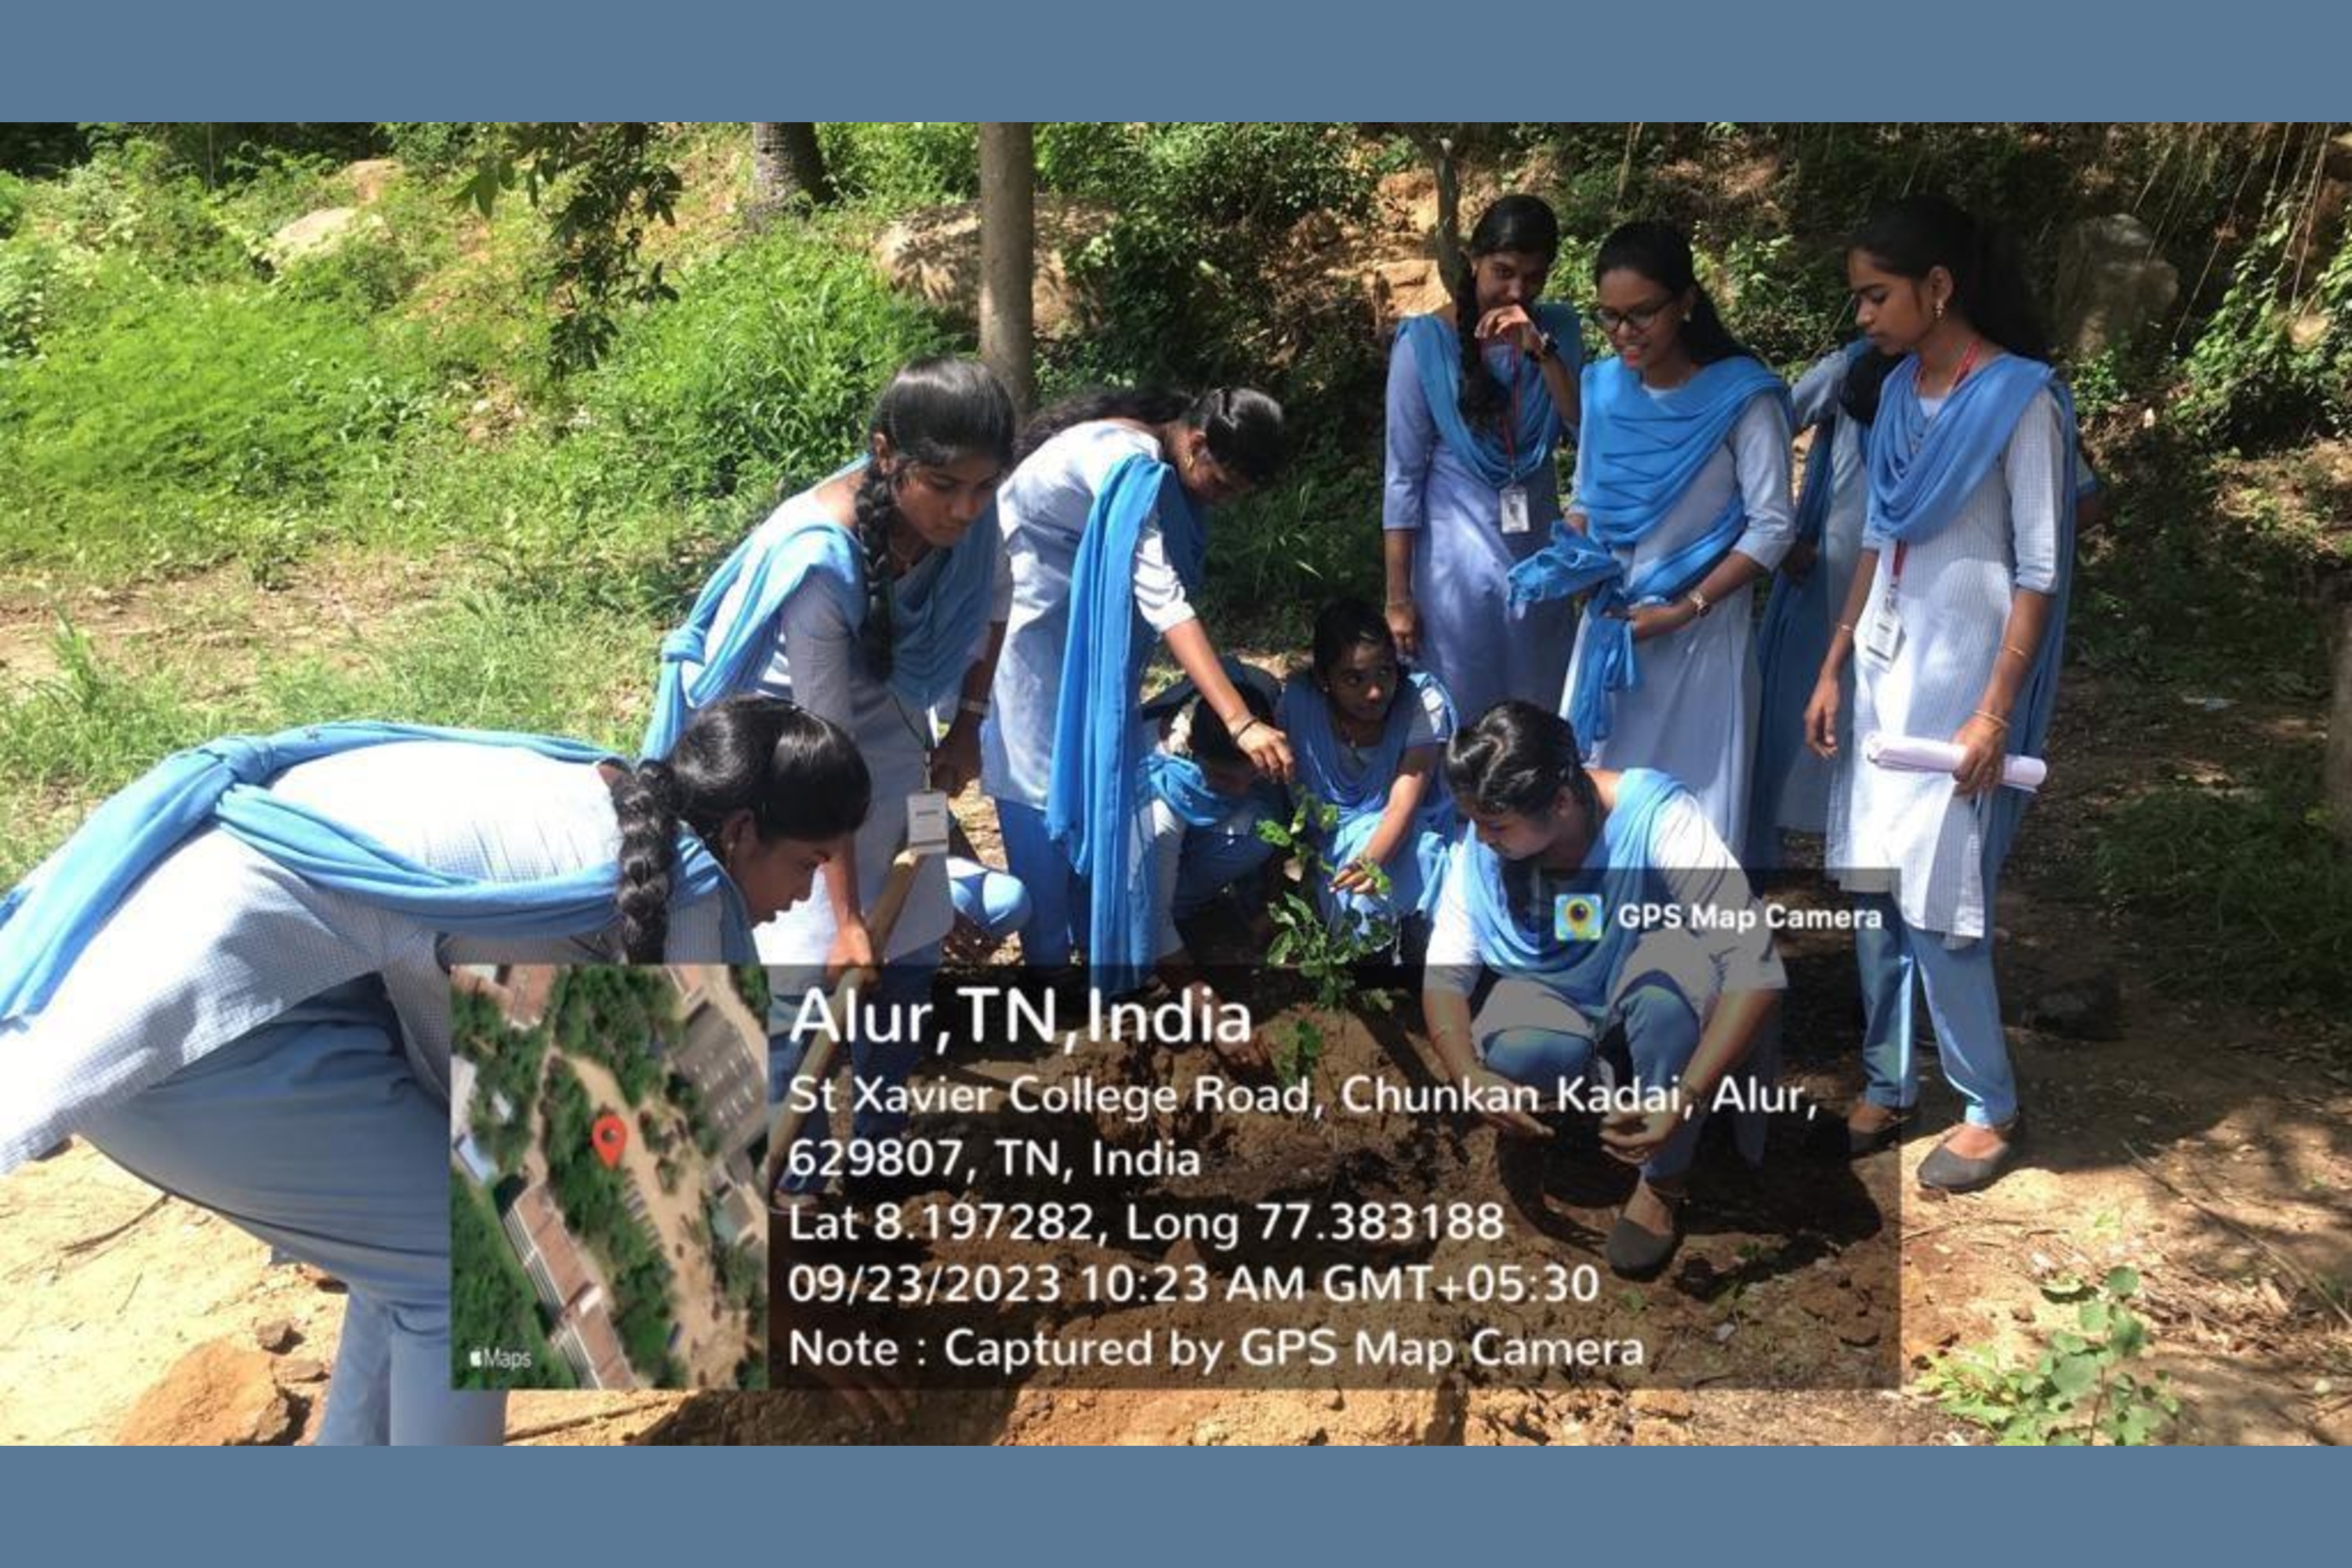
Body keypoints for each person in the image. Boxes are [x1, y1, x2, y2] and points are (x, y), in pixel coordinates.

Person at [0, 696, 869, 1443]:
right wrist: (774, 1299)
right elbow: (604, 1161)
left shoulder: (610, 804)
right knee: (465, 1269)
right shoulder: (640, 890)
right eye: (808, 863)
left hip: (212, 982)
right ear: (744, 829)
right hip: (189, 1032)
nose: (807, 893)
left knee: (416, 1248)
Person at [1804, 194, 2078, 1193]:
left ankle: (1988, 1101)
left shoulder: (2020, 400)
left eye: (1877, 296)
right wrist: (1835, 663)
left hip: (1966, 684)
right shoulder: (1892, 393)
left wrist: (1994, 710)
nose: (1864, 316)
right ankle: (1888, 1077)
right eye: (1859, 298)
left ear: (1939, 287)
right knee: (1874, 884)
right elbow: (1881, 539)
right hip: (1884, 676)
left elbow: (2039, 567)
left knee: (1944, 900)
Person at [646, 357, 1017, 988]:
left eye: (983, 488)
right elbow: (826, 754)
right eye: (944, 484)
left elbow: (996, 604)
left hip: (891, 726)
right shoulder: (819, 562)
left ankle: (885, 1068)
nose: (964, 509)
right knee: (804, 964)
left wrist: (967, 728)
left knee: (911, 942)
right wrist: (848, 921)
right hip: (787, 758)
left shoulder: (973, 523)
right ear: (885, 454)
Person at [1422, 703, 1783, 1279]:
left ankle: (1664, 1177)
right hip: (1563, 993)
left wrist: (1683, 1098)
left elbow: (1754, 968)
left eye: (1496, 826)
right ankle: (1595, 1098)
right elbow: (1446, 973)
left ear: (1561, 802)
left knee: (1666, 995)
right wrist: (1468, 1074)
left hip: (1656, 986)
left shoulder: (1657, 818)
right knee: (1516, 1048)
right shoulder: (1486, 843)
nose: (1481, 840)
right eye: (1477, 823)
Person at [982, 386, 1290, 994]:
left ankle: (1102, 952)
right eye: (1223, 485)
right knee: (1036, 792)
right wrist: (1239, 718)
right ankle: (1048, 972)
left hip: (1084, 646)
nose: (1221, 501)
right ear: (1197, 444)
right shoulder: (1125, 464)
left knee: (1098, 787)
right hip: (1029, 641)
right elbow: (1163, 596)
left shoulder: (1153, 453)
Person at [1509, 220, 1793, 851]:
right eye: (1609, 318)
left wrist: (1683, 610)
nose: (1623, 334)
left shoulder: (1746, 396)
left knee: (1693, 809)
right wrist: (1569, 559)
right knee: (1593, 799)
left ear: (1687, 302)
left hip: (1699, 632)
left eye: (1642, 315)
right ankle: (1600, 943)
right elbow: (1588, 497)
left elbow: (1773, 526)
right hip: (1612, 627)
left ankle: (1692, 948)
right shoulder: (1602, 386)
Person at [1383, 194, 1584, 725]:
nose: (1517, 291)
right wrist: (1398, 596)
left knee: (1540, 707)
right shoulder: (1424, 343)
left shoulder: (1559, 331)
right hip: (1456, 564)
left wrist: (1539, 351)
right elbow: (1402, 475)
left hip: (1540, 554)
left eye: (1534, 278)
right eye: (1503, 272)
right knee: (1465, 716)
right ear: (1474, 260)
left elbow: (1583, 428)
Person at [1747, 342, 1896, 868]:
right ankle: (1759, 861)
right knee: (1791, 722)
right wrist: (1780, 536)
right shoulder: (1851, 366)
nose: (1866, 314)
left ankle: (1870, 862)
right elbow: (1758, 434)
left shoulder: (1976, 380)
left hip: (1912, 594)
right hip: (1829, 580)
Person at [1276, 597, 1456, 934]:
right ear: (1323, 678)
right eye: (1354, 679)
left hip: (1405, 832)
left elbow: (1404, 805)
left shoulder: (1421, 703)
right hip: (1332, 842)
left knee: (1421, 856)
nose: (1375, 692)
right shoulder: (1298, 705)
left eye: (1385, 673)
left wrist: (1370, 862)